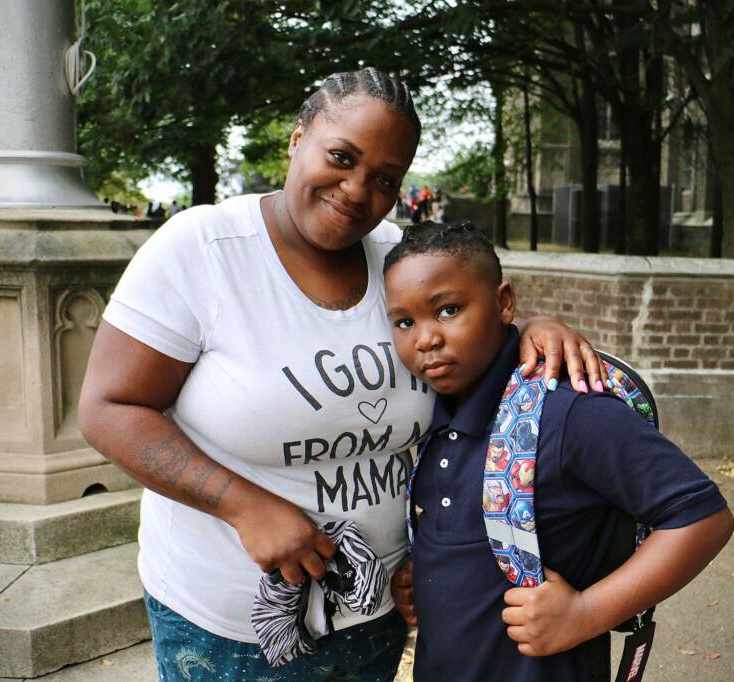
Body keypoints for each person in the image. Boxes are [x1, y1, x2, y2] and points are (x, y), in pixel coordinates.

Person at [78, 68, 605, 681]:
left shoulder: (398, 258)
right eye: (341, 156)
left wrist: (533, 328)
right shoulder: (202, 250)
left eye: (385, 179)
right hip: (233, 625)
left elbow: (465, 325)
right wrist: (246, 507)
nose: (358, 190)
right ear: (297, 138)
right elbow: (108, 407)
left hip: (378, 610)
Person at [381, 221, 734, 682]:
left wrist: (585, 613)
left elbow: (703, 519)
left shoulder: (571, 413)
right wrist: (430, 574)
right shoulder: (431, 416)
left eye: (448, 310)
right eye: (405, 322)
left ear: (504, 302)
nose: (425, 338)